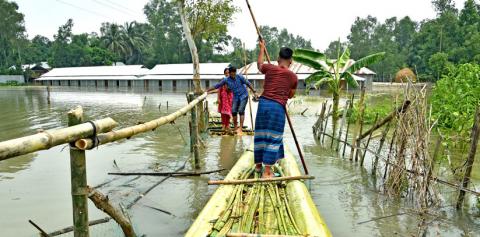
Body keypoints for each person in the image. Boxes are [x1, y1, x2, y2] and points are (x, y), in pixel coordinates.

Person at [254, 40, 298, 178]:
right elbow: (291, 95)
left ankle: (258, 166)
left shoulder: (270, 68)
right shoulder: (293, 77)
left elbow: (259, 65)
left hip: (263, 105)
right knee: (273, 138)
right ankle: (267, 172)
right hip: (277, 107)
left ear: (278, 58)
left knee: (260, 134)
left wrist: (262, 48)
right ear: (290, 61)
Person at [207, 66, 256, 135]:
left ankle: (240, 128)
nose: (233, 75)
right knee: (233, 111)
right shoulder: (226, 80)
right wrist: (207, 90)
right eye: (232, 74)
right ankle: (235, 127)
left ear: (235, 72)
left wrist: (254, 91)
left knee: (241, 111)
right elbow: (217, 86)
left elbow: (248, 83)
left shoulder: (240, 77)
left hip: (243, 95)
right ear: (229, 74)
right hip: (236, 96)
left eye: (234, 73)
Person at [217, 68, 233, 134]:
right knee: (223, 113)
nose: (227, 74)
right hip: (223, 98)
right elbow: (219, 90)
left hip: (230, 99)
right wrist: (218, 98)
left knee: (229, 112)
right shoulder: (222, 80)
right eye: (226, 73)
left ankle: (227, 125)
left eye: (228, 73)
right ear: (224, 74)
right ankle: (223, 125)